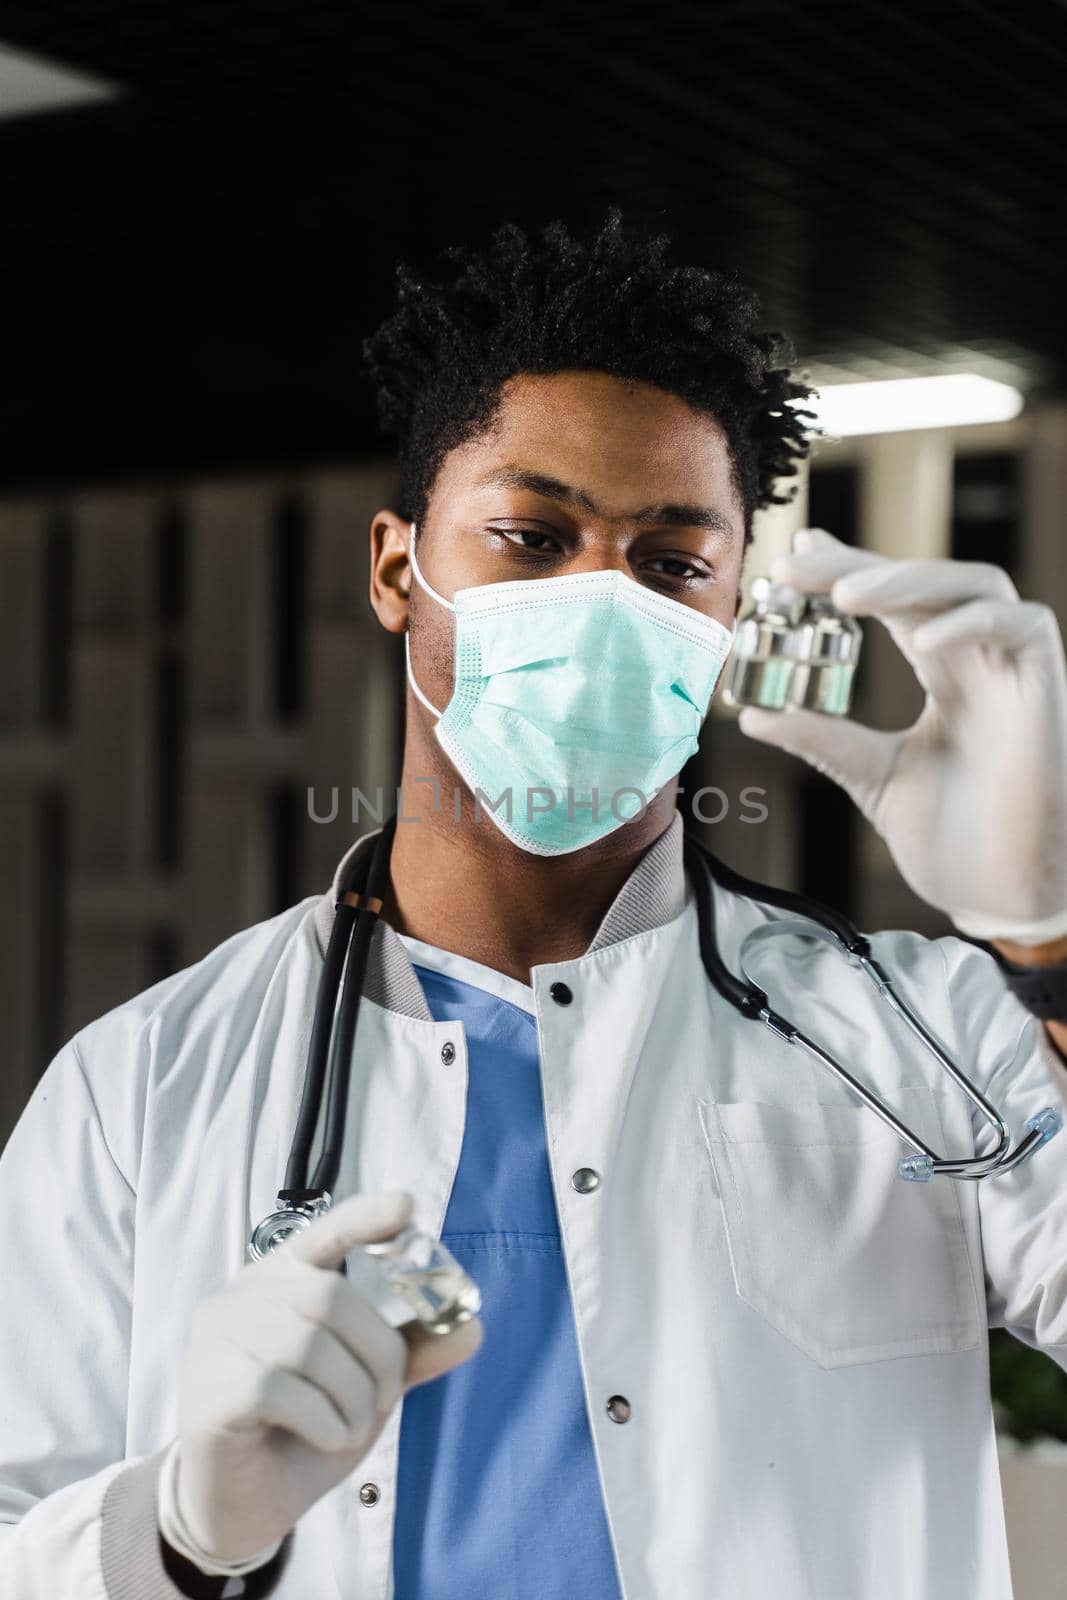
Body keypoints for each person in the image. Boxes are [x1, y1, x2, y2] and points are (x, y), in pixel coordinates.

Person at [2, 211, 1067, 1600]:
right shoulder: (140, 1088)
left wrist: (1045, 940)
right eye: (532, 534)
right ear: (398, 569)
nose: (601, 601)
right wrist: (180, 1532)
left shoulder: (921, 1037)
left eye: (672, 562)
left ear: (734, 609)